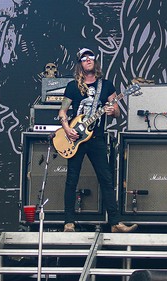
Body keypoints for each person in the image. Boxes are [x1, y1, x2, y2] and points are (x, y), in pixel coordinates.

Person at [58, 47, 138, 233]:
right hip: (76, 138)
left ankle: (115, 223)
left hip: (97, 139)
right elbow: (62, 112)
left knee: (106, 179)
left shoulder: (107, 86)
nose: (88, 59)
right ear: (80, 64)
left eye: (90, 57)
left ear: (95, 61)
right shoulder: (72, 86)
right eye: (84, 58)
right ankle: (68, 222)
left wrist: (113, 111)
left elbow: (117, 112)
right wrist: (67, 129)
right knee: (72, 179)